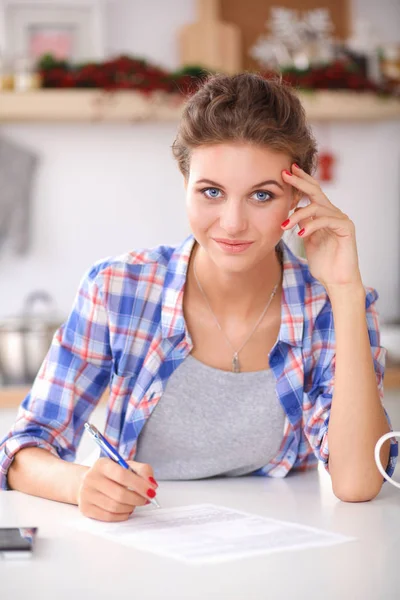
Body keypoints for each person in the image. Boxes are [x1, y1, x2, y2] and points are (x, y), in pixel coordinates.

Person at [0, 73, 397, 522]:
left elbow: (359, 483)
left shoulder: (329, 305)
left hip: (285, 546)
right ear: (184, 181)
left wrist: (345, 291)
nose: (232, 223)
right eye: (212, 192)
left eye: (261, 196)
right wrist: (80, 484)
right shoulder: (118, 289)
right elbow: (22, 448)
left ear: (298, 198)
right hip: (141, 543)